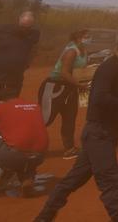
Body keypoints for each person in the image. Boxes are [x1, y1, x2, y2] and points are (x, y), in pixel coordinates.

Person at [35, 29, 118, 222]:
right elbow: (98, 98)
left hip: (108, 131)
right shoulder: (108, 68)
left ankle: (44, 217)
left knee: (73, 180)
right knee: (110, 178)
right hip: (98, 132)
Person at [37, 29, 89, 158]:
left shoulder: (84, 51)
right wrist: (79, 84)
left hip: (70, 88)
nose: (88, 39)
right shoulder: (71, 51)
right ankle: (28, 146)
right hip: (55, 87)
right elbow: (64, 73)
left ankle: (69, 148)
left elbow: (79, 71)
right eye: (86, 36)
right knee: (45, 119)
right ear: (78, 38)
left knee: (69, 118)